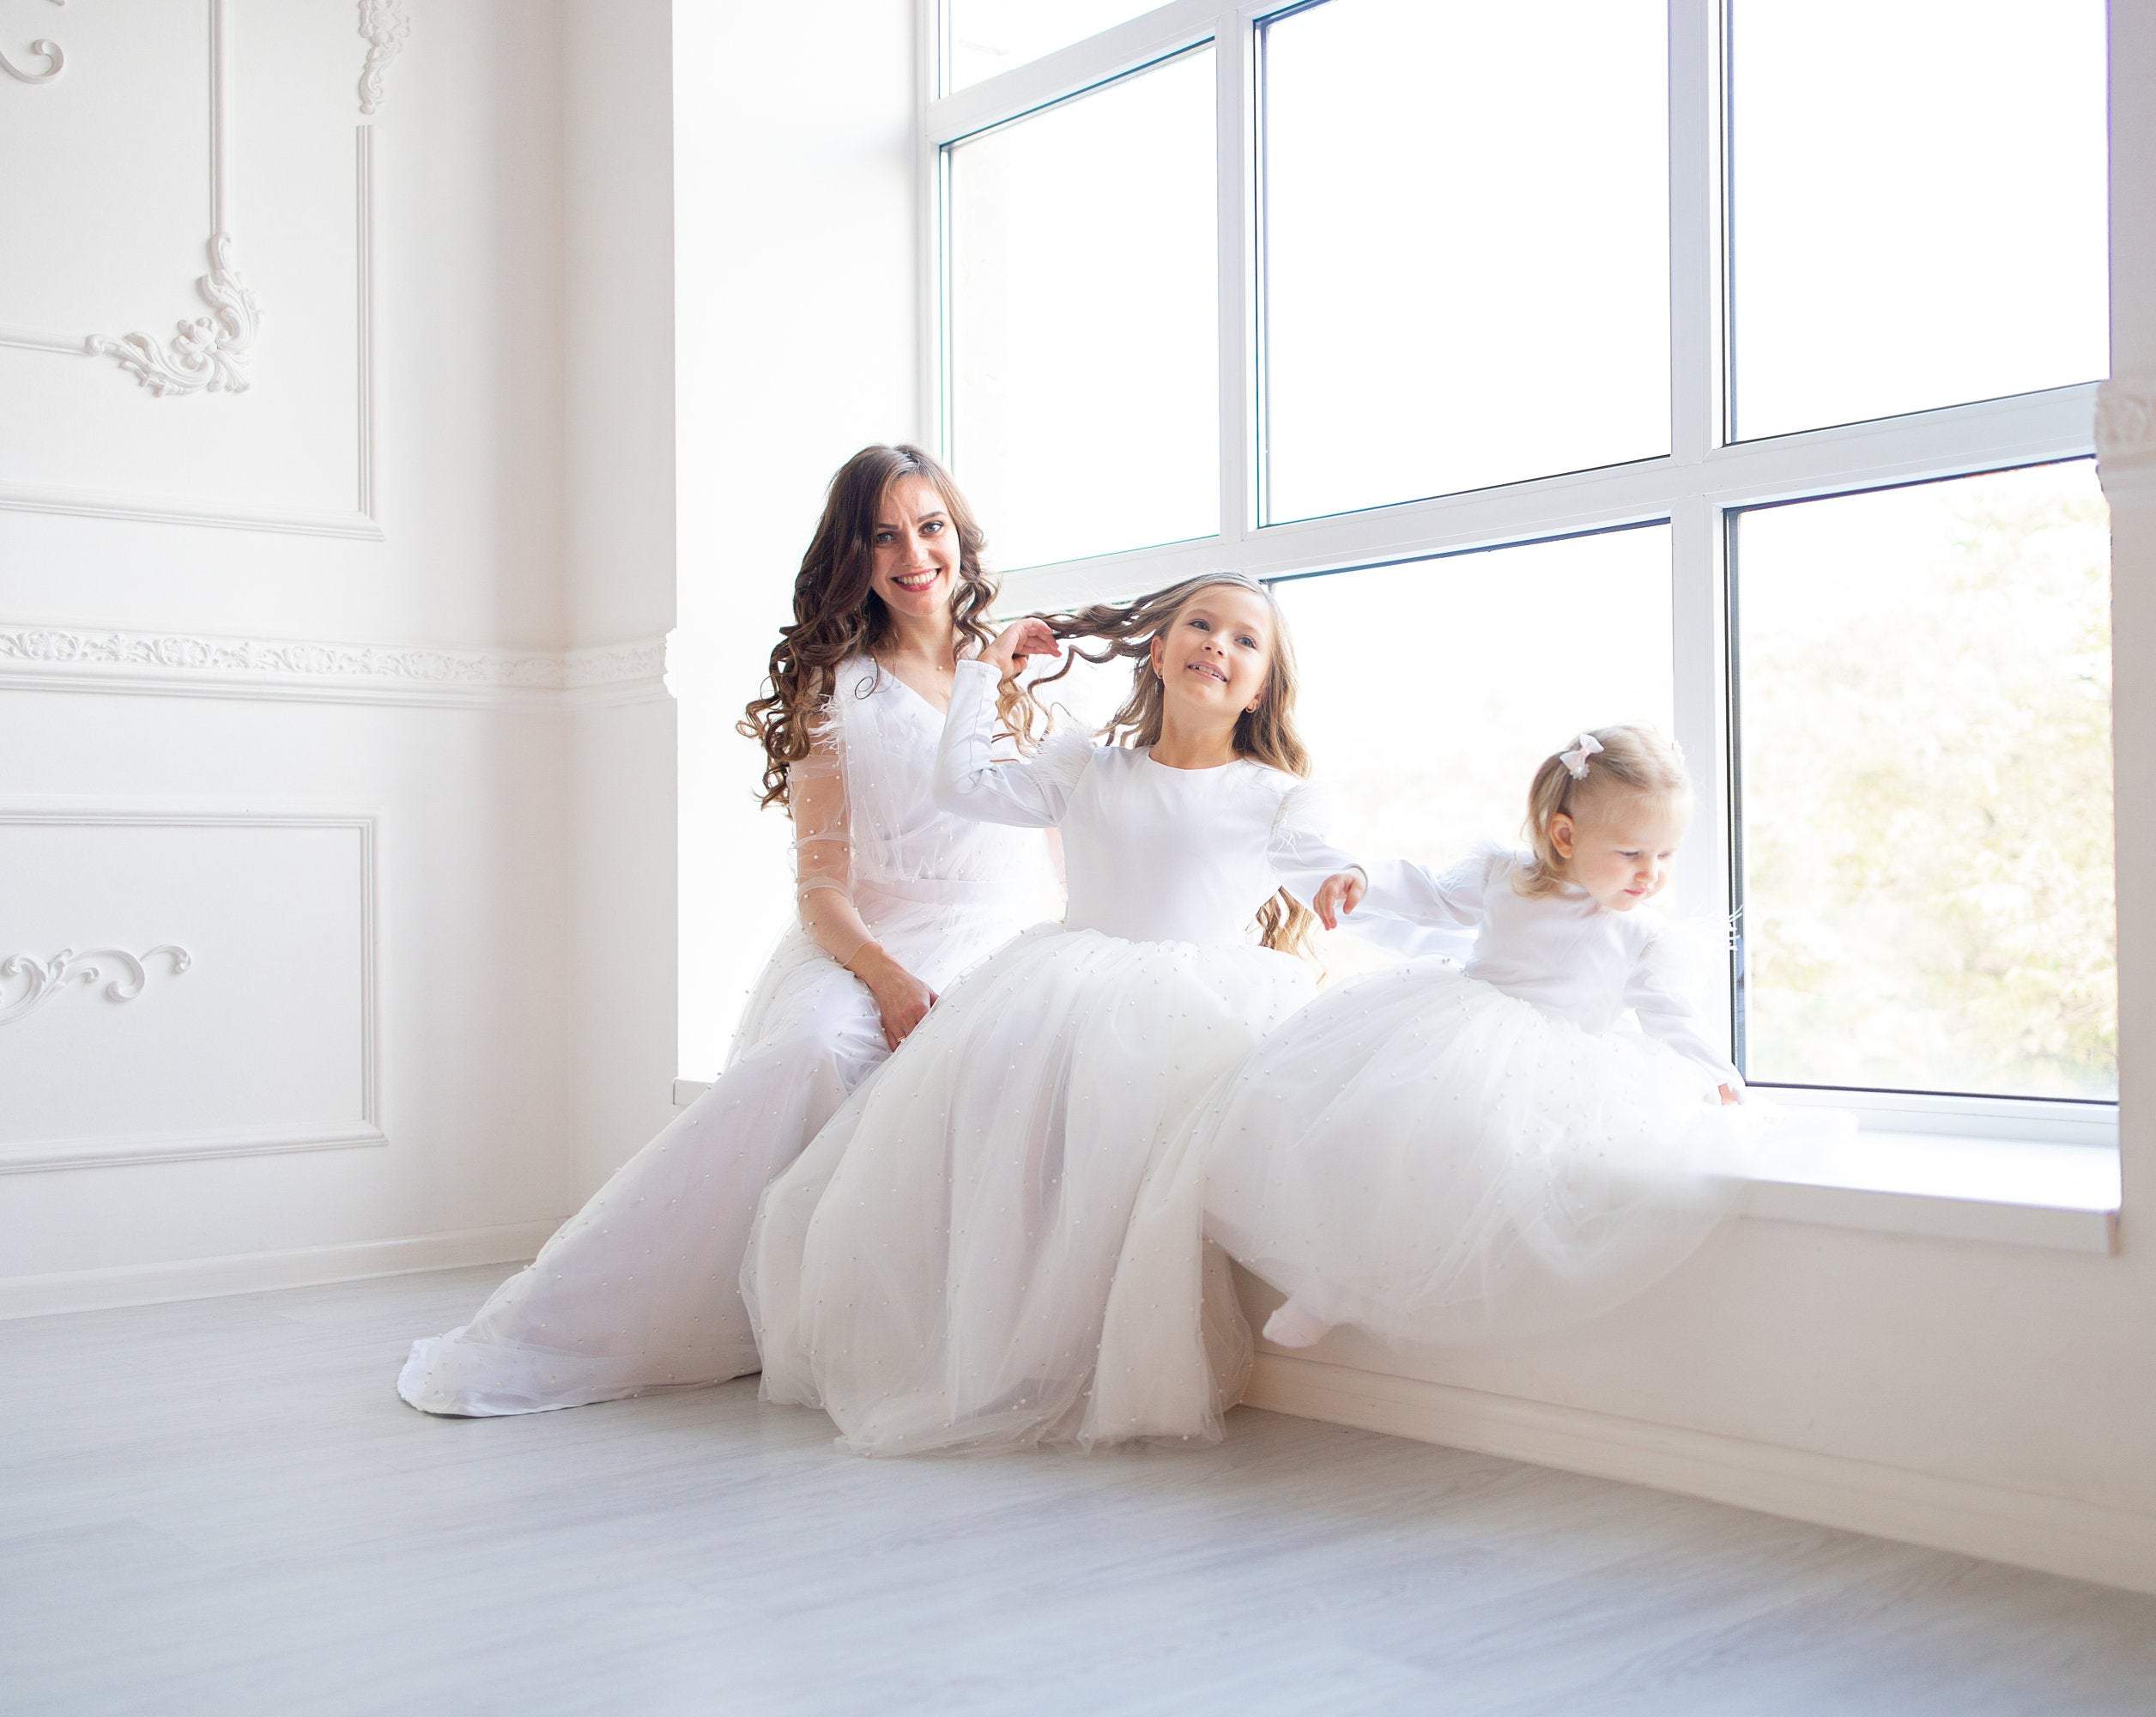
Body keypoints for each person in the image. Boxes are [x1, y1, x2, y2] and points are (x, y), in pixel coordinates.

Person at [398, 445, 1055, 1416]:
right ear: (855, 556)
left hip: (1002, 937)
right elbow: (822, 889)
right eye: (884, 535)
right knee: (809, 1051)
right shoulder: (840, 687)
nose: (915, 553)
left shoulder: (1013, 674)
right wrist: (887, 978)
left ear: (961, 539)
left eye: (931, 527)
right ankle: (627, 1309)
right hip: (871, 936)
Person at [744, 572, 1405, 1454]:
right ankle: (989, 1344)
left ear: (1264, 687)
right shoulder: (1089, 764)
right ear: (1161, 651)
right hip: (1065, 979)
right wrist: (986, 668)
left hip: (1196, 999)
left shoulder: (1276, 793)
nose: (1219, 644)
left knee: (1156, 1128)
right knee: (999, 1124)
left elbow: (1322, 865)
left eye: (1247, 641)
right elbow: (964, 785)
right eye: (1201, 625)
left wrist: (1340, 883)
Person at [1190, 725, 1802, 1352]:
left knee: (1476, 1173)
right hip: (1458, 1037)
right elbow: (1427, 894)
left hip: (1551, 1068)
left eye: (1665, 856)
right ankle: (1325, 1283)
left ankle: (1356, 1291)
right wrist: (1362, 880)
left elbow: (1673, 1017)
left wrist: (1718, 1075)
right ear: (1565, 835)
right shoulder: (1505, 877)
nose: (1651, 875)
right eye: (1631, 854)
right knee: (1378, 1142)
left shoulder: (1642, 936)